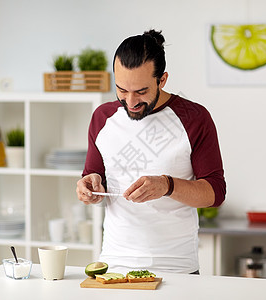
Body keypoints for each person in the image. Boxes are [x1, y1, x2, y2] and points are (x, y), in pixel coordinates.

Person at [76, 29, 226, 274]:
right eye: (122, 90)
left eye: (141, 91)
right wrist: (89, 185)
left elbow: (215, 193)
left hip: (176, 268)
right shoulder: (102, 117)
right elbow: (93, 175)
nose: (131, 102)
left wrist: (167, 185)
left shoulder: (194, 118)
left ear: (162, 80)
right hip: (114, 264)